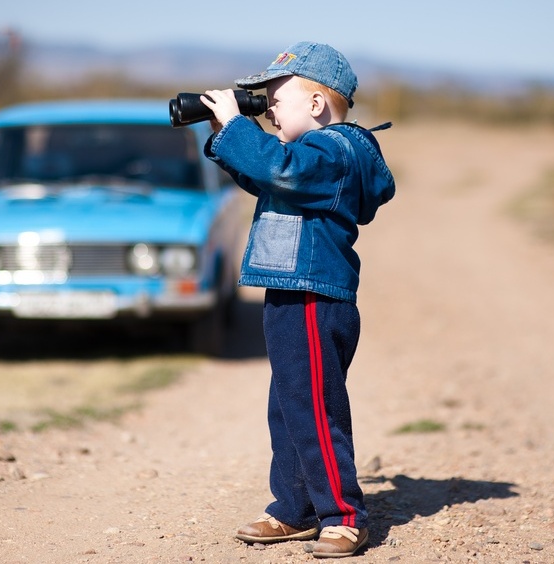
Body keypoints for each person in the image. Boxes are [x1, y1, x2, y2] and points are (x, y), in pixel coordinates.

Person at [200, 41, 396, 558]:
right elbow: (265, 174)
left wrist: (239, 128)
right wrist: (224, 134)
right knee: (289, 406)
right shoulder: (308, 157)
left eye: (274, 99)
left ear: (315, 104)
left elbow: (280, 168)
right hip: (292, 291)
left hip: (313, 294)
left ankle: (343, 515)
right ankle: (296, 508)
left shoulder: (334, 151)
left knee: (314, 408)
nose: (266, 109)